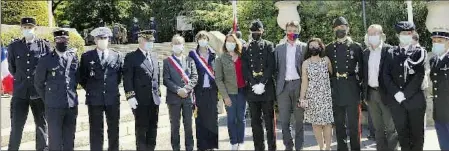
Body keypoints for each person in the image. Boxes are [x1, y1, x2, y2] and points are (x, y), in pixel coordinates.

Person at [7, 17, 50, 151]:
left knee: (41, 125)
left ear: (35, 28)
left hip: (38, 92)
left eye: (30, 27)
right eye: (25, 28)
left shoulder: (44, 45)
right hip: (20, 92)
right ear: (21, 29)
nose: (27, 30)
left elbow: (48, 68)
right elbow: (12, 67)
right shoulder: (14, 46)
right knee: (16, 125)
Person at [382, 21, 426, 151]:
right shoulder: (390, 52)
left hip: (415, 101)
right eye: (403, 33)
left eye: (409, 33)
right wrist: (396, 93)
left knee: (417, 135)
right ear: (398, 35)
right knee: (402, 135)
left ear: (412, 34)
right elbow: (386, 75)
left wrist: (404, 94)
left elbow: (419, 76)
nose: (406, 35)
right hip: (397, 103)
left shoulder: (419, 52)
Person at [78, 27, 123, 151]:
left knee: (114, 129)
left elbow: (118, 77)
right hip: (94, 99)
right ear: (95, 40)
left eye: (105, 38)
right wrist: (92, 89)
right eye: (99, 38)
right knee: (96, 130)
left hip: (112, 98)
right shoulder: (87, 56)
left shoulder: (117, 55)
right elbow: (82, 77)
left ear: (109, 39)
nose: (102, 40)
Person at [34, 28, 79, 151]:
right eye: (59, 39)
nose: (62, 41)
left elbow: (76, 79)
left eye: (64, 39)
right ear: (54, 41)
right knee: (55, 140)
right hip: (53, 106)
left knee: (69, 139)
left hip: (71, 105)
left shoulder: (73, 57)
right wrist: (48, 98)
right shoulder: (46, 59)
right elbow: (38, 83)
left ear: (68, 40)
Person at [324, 16, 363, 151]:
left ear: (348, 28)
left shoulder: (356, 47)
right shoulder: (328, 48)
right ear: (334, 29)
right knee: (339, 124)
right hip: (336, 88)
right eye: (338, 27)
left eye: (343, 26)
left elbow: (362, 70)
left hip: (352, 86)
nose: (341, 29)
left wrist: (362, 89)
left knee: (354, 124)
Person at [123, 30, 161, 151]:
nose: (150, 43)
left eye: (152, 41)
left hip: (154, 100)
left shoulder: (154, 56)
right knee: (141, 130)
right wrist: (130, 96)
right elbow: (127, 78)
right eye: (148, 41)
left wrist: (158, 94)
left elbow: (156, 78)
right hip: (140, 100)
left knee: (153, 129)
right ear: (140, 40)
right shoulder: (132, 57)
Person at [361, 24, 398, 151]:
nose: (372, 37)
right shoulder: (365, 53)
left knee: (391, 128)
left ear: (382, 35)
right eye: (370, 34)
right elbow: (363, 75)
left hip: (387, 94)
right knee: (378, 128)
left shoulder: (390, 50)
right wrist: (364, 94)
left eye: (375, 34)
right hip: (371, 94)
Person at [241, 19, 276, 151]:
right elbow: (245, 68)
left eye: (258, 31)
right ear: (250, 32)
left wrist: (262, 83)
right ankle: (258, 148)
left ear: (262, 31)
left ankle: (272, 148)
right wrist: (253, 83)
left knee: (269, 122)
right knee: (255, 123)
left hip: (266, 89)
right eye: (253, 31)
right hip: (252, 89)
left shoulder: (269, 45)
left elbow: (271, 65)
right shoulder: (246, 48)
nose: (256, 33)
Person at [273, 20, 306, 151]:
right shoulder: (279, 48)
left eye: (294, 30)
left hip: (299, 87)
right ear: (286, 32)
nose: (292, 33)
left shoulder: (304, 47)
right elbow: (275, 69)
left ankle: (299, 147)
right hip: (283, 87)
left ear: (298, 31)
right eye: (289, 31)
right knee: (284, 120)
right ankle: (288, 146)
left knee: (299, 120)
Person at [163, 34, 198, 151]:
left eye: (180, 43)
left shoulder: (190, 60)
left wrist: (186, 89)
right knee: (175, 126)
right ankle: (176, 148)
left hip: (187, 98)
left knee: (188, 125)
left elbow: (194, 77)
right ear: (171, 45)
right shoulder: (167, 61)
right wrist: (178, 90)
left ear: (183, 45)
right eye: (175, 43)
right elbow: (166, 79)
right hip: (173, 98)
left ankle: (189, 148)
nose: (178, 45)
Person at [300, 38, 334, 150]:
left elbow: (332, 74)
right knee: (316, 124)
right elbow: (304, 81)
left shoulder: (326, 60)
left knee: (327, 123)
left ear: (321, 47)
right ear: (308, 49)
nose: (314, 48)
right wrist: (302, 97)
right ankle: (321, 147)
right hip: (312, 97)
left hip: (325, 96)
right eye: (311, 46)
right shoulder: (305, 63)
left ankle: (328, 148)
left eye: (316, 46)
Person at [188, 31, 219, 151]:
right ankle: (202, 147)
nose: (202, 40)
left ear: (208, 40)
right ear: (197, 40)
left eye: (205, 38)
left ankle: (213, 146)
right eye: (200, 38)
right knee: (200, 119)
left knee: (212, 119)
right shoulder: (192, 55)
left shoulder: (213, 55)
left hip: (211, 91)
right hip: (198, 92)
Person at [215, 34, 246, 150]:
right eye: (228, 41)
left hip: (243, 91)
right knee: (231, 119)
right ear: (225, 43)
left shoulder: (242, 56)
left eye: (232, 41)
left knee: (241, 118)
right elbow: (218, 79)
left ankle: (241, 142)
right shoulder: (220, 59)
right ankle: (233, 142)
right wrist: (225, 96)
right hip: (230, 93)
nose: (230, 44)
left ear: (236, 43)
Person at [427, 20, 449, 150]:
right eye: (434, 41)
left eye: (439, 41)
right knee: (443, 145)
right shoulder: (433, 60)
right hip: (439, 111)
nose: (436, 44)